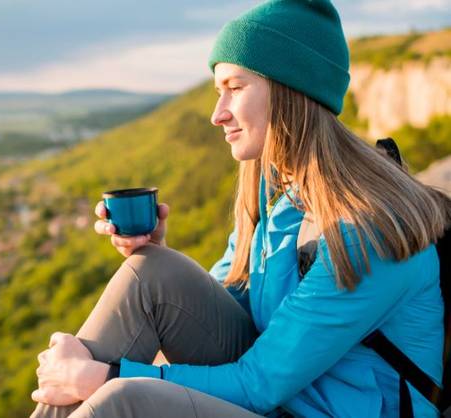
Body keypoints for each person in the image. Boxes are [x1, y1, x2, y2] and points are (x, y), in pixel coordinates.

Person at [29, 0, 450, 417]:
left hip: (314, 407)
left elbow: (258, 385)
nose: (217, 114)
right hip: (289, 394)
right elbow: (222, 304)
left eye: (235, 87)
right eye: (218, 91)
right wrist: (157, 250)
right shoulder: (283, 196)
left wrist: (101, 376)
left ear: (290, 91)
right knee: (153, 271)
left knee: (121, 398)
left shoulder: (368, 228)